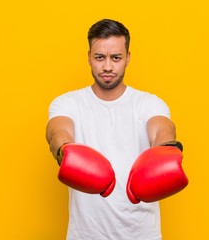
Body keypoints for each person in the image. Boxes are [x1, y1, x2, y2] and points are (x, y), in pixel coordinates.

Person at [46, 19, 188, 240]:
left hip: (142, 235)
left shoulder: (148, 103)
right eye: (100, 57)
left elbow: (162, 129)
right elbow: (57, 131)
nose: (108, 67)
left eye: (116, 58)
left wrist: (166, 151)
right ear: (89, 57)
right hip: (86, 235)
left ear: (128, 58)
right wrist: (65, 151)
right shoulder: (68, 103)